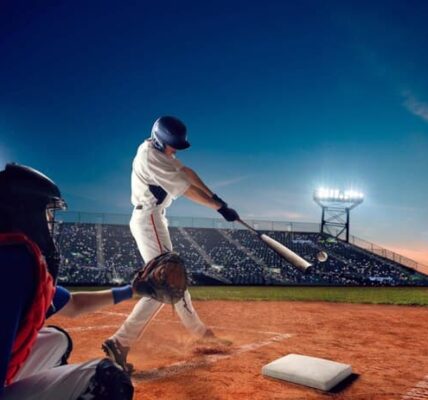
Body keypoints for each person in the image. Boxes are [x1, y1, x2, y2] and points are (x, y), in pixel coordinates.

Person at [102, 116, 240, 373]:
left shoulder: (158, 150)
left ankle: (200, 334)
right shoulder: (151, 157)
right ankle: (120, 341)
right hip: (148, 219)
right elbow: (186, 189)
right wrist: (219, 208)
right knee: (165, 283)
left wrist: (215, 197)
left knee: (171, 282)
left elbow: (187, 173)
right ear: (159, 140)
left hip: (154, 219)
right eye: (171, 145)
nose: (174, 149)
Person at [0, 163, 134, 400]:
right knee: (108, 382)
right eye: (47, 213)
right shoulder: (14, 261)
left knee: (57, 340)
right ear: (24, 213)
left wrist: (132, 290)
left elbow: (74, 304)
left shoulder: (13, 257)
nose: (50, 221)